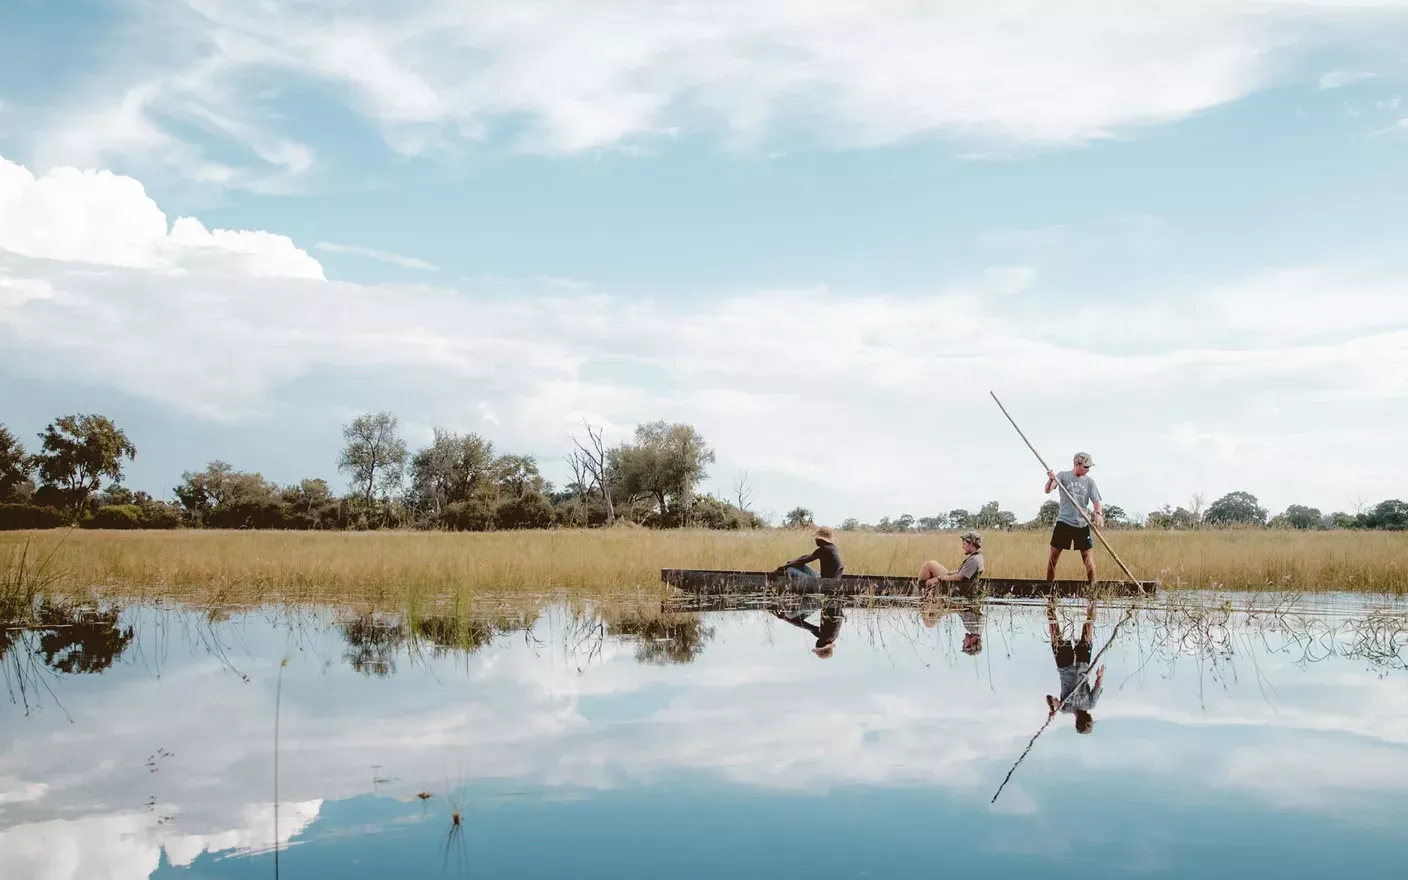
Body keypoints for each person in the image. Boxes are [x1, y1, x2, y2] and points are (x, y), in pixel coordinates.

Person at [1046, 595, 1104, 734]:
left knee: (1057, 630)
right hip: (1081, 664)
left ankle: (1051, 601)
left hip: (1066, 665)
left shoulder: (1065, 709)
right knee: (1086, 628)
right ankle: (1091, 599)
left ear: (1088, 718)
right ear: (1076, 722)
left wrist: (1054, 707)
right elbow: (1097, 686)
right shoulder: (1090, 704)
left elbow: (1049, 698)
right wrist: (1099, 676)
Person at [1044, 452, 1104, 585]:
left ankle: (1093, 588)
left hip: (1082, 524)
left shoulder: (1090, 482)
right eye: (1085, 467)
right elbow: (1048, 490)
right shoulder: (1063, 476)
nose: (1088, 470)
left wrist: (1098, 514)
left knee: (1088, 558)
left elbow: (1096, 501)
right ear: (1076, 464)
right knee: (1053, 558)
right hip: (1064, 522)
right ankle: (1048, 587)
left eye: (1089, 467)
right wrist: (1051, 479)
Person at [770, 599, 844, 658]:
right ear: (823, 646)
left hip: (827, 603)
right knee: (790, 614)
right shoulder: (827, 636)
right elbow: (806, 626)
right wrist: (786, 618)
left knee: (792, 617)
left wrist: (786, 619)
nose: (816, 645)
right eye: (817, 647)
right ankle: (778, 606)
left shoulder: (829, 637)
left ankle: (778, 609)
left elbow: (804, 625)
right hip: (827, 601)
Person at [917, 530, 985, 590]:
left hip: (956, 587)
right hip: (958, 584)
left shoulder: (974, 560)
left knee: (928, 565)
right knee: (933, 563)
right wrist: (949, 573)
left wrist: (939, 578)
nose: (962, 546)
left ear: (971, 544)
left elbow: (960, 577)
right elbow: (962, 572)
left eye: (964, 544)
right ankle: (926, 590)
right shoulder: (977, 557)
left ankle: (920, 590)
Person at [776, 526, 844, 579]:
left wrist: (783, 567)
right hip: (823, 578)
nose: (815, 540)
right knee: (796, 565)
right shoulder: (831, 547)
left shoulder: (824, 549)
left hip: (823, 581)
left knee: (790, 570)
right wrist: (792, 562)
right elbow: (805, 557)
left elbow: (802, 561)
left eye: (816, 538)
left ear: (820, 539)